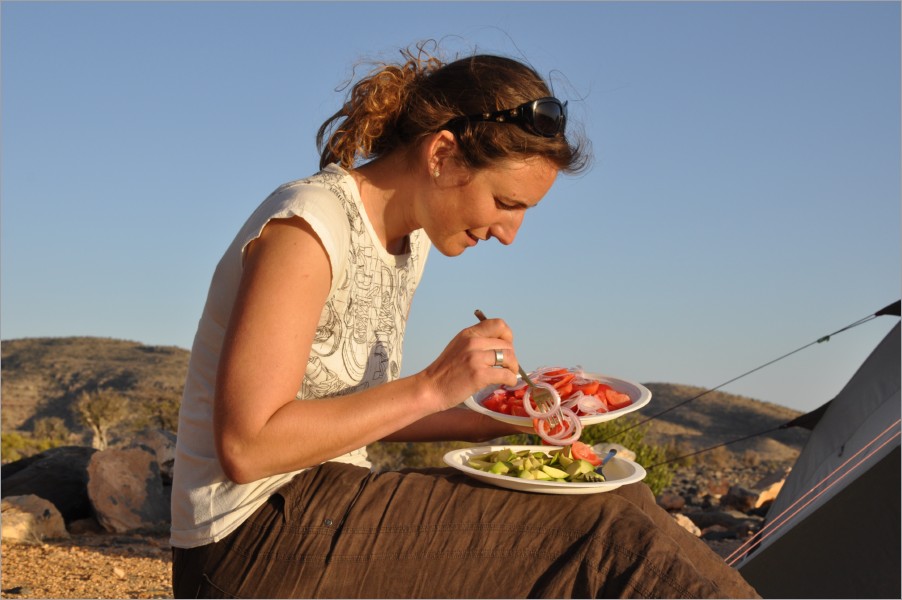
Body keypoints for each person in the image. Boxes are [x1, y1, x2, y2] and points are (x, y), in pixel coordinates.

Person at [170, 41, 759, 598]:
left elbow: (346, 411)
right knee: (604, 536)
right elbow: (248, 446)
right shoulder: (308, 227)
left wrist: (504, 424)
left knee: (622, 491)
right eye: (507, 204)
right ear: (443, 154)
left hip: (327, 503)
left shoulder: (408, 241)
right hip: (250, 543)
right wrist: (433, 384)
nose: (509, 234)